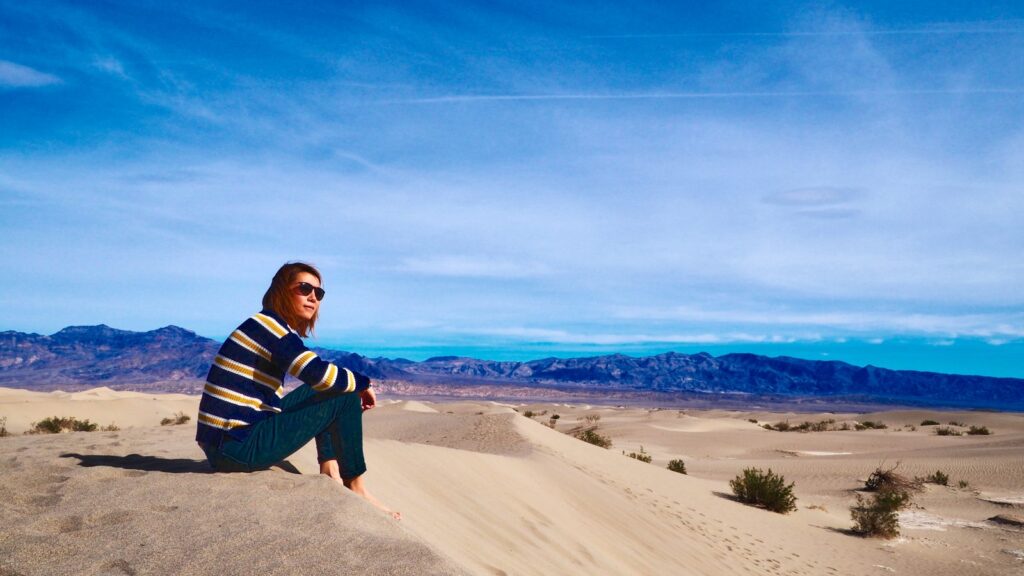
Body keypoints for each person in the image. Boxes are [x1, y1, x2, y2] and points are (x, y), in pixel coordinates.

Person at [195, 261, 400, 519]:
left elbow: (320, 379)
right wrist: (364, 383)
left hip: (229, 443)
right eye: (304, 288)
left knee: (330, 389)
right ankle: (356, 487)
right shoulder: (270, 328)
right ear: (282, 291)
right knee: (344, 392)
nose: (313, 297)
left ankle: (330, 471)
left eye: (319, 293)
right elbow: (318, 374)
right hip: (236, 447)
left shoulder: (268, 326)